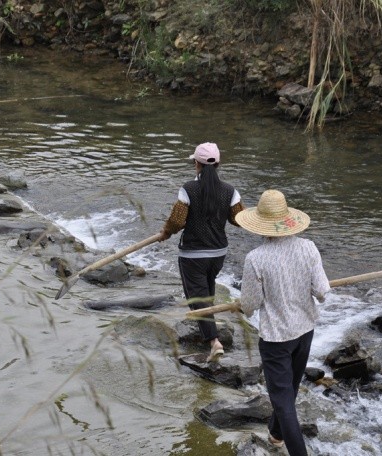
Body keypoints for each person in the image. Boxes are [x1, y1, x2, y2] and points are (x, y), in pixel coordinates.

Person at [236, 189, 330, 456]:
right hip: (305, 331)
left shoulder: (256, 258)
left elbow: (250, 305)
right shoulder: (308, 247)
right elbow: (322, 292)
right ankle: (276, 434)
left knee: (283, 400)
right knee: (289, 390)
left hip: (277, 338)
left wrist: (244, 305)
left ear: (261, 225)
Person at [160, 142, 245, 362]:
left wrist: (165, 232)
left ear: (196, 164)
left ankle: (213, 341)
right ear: (218, 164)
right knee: (206, 292)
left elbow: (177, 221)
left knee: (197, 297)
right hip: (218, 253)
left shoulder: (188, 189)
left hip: (193, 255)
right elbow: (238, 219)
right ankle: (209, 325)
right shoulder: (230, 191)